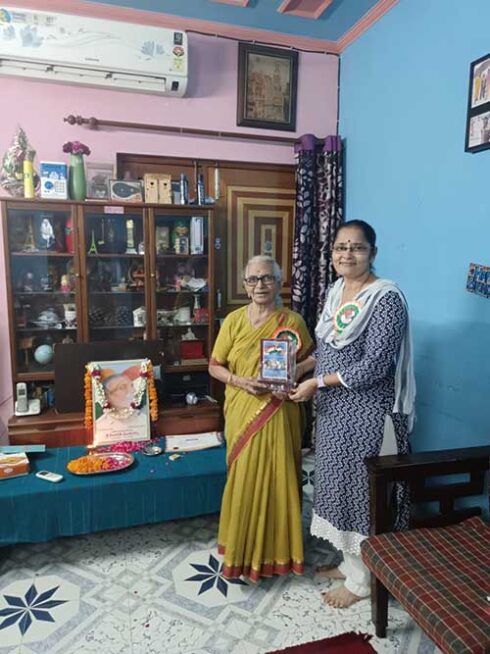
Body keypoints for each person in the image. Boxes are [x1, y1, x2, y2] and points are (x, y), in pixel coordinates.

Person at [289, 220, 415, 608]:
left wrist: (316, 383)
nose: (347, 254)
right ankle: (350, 564)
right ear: (332, 254)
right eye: (340, 247)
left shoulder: (385, 299)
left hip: (367, 414)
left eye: (357, 247)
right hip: (334, 412)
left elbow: (374, 366)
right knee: (338, 486)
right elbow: (330, 349)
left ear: (372, 253)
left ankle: (363, 581)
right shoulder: (337, 290)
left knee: (361, 492)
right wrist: (304, 366)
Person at [209, 255, 314, 582]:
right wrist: (240, 381)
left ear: (279, 282)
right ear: (245, 285)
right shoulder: (233, 321)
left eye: (267, 278)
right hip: (242, 408)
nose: (260, 285)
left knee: (279, 477)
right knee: (243, 478)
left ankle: (279, 553)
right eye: (253, 279)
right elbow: (215, 366)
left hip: (279, 411)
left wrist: (295, 369)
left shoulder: (292, 322)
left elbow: (313, 359)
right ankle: (239, 551)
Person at [94, 371, 149, 443]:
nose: (133, 391)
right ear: (107, 395)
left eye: (132, 386)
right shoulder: (100, 425)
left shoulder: (144, 420)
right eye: (122, 387)